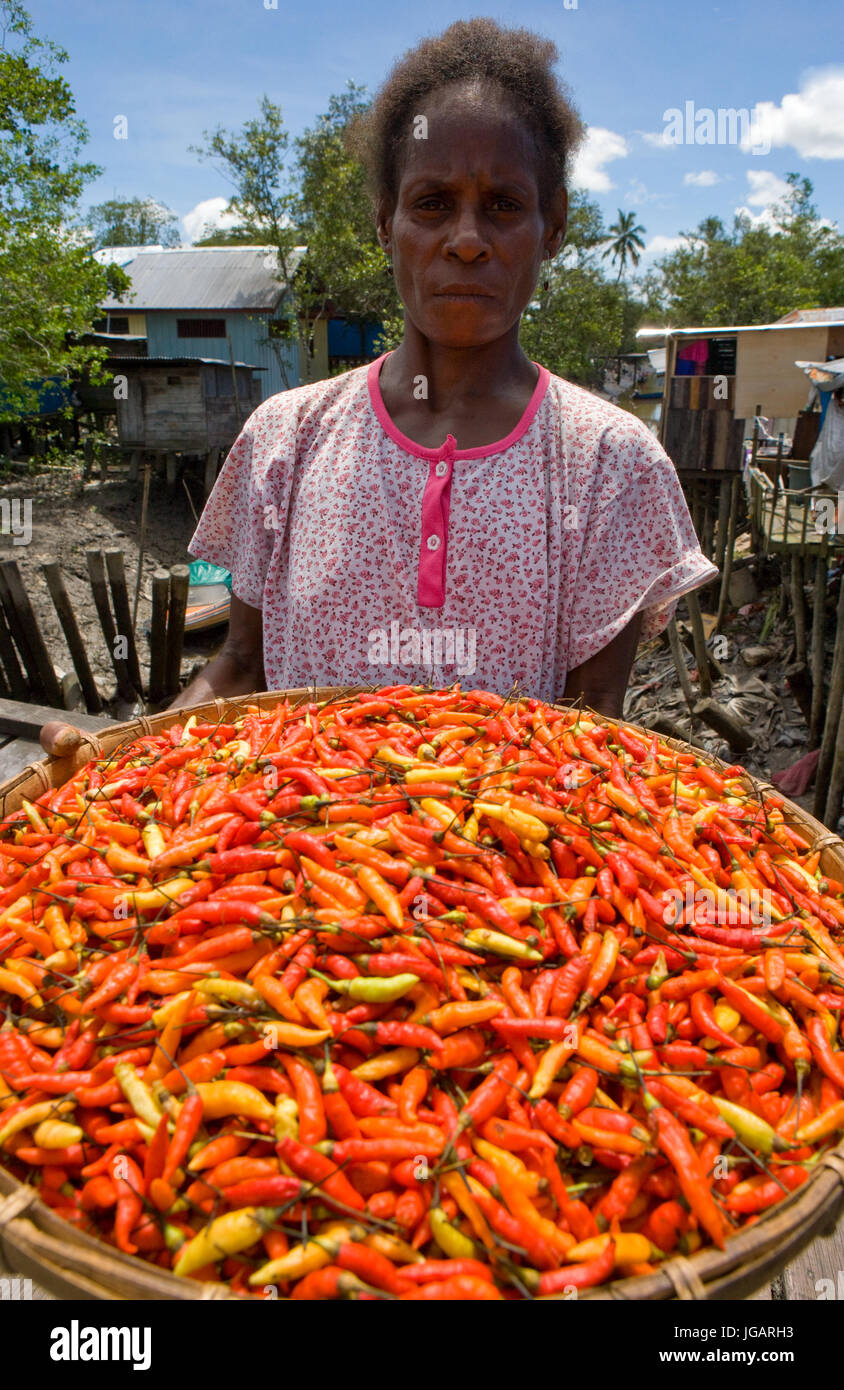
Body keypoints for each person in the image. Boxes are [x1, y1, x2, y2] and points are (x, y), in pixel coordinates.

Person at [41, 18, 716, 757]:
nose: (465, 238)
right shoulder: (287, 437)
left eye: (503, 206)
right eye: (431, 204)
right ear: (383, 221)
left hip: (503, 865)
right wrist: (130, 757)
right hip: (292, 857)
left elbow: (593, 733)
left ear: (552, 225)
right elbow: (240, 667)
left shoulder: (609, 462)